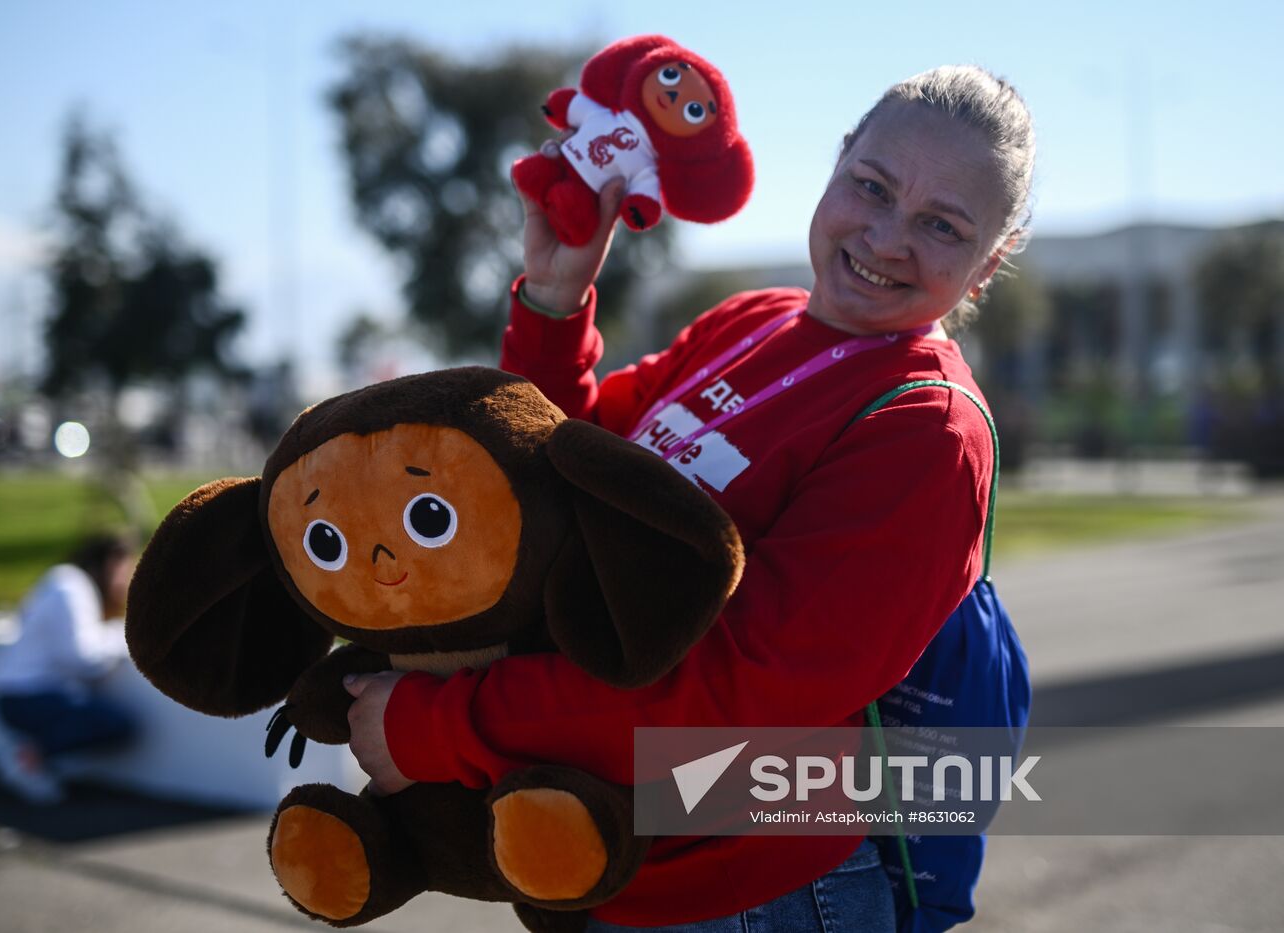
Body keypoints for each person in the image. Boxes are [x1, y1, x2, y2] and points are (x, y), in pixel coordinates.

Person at [345, 65, 1036, 930]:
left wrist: (442, 726)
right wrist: (557, 300)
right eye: (873, 186)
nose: (889, 237)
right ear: (838, 162)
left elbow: (745, 692)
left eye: (941, 224)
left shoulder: (928, 429)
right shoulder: (754, 318)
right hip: (611, 866)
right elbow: (564, 466)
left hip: (755, 896)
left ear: (987, 264)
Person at [0, 532, 139, 803]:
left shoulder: (62, 581)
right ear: (109, 563)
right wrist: (119, 637)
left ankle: (33, 759)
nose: (124, 581)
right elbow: (83, 658)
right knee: (116, 723)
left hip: (13, 691)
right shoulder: (72, 589)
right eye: (124, 570)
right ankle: (27, 759)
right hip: (29, 694)